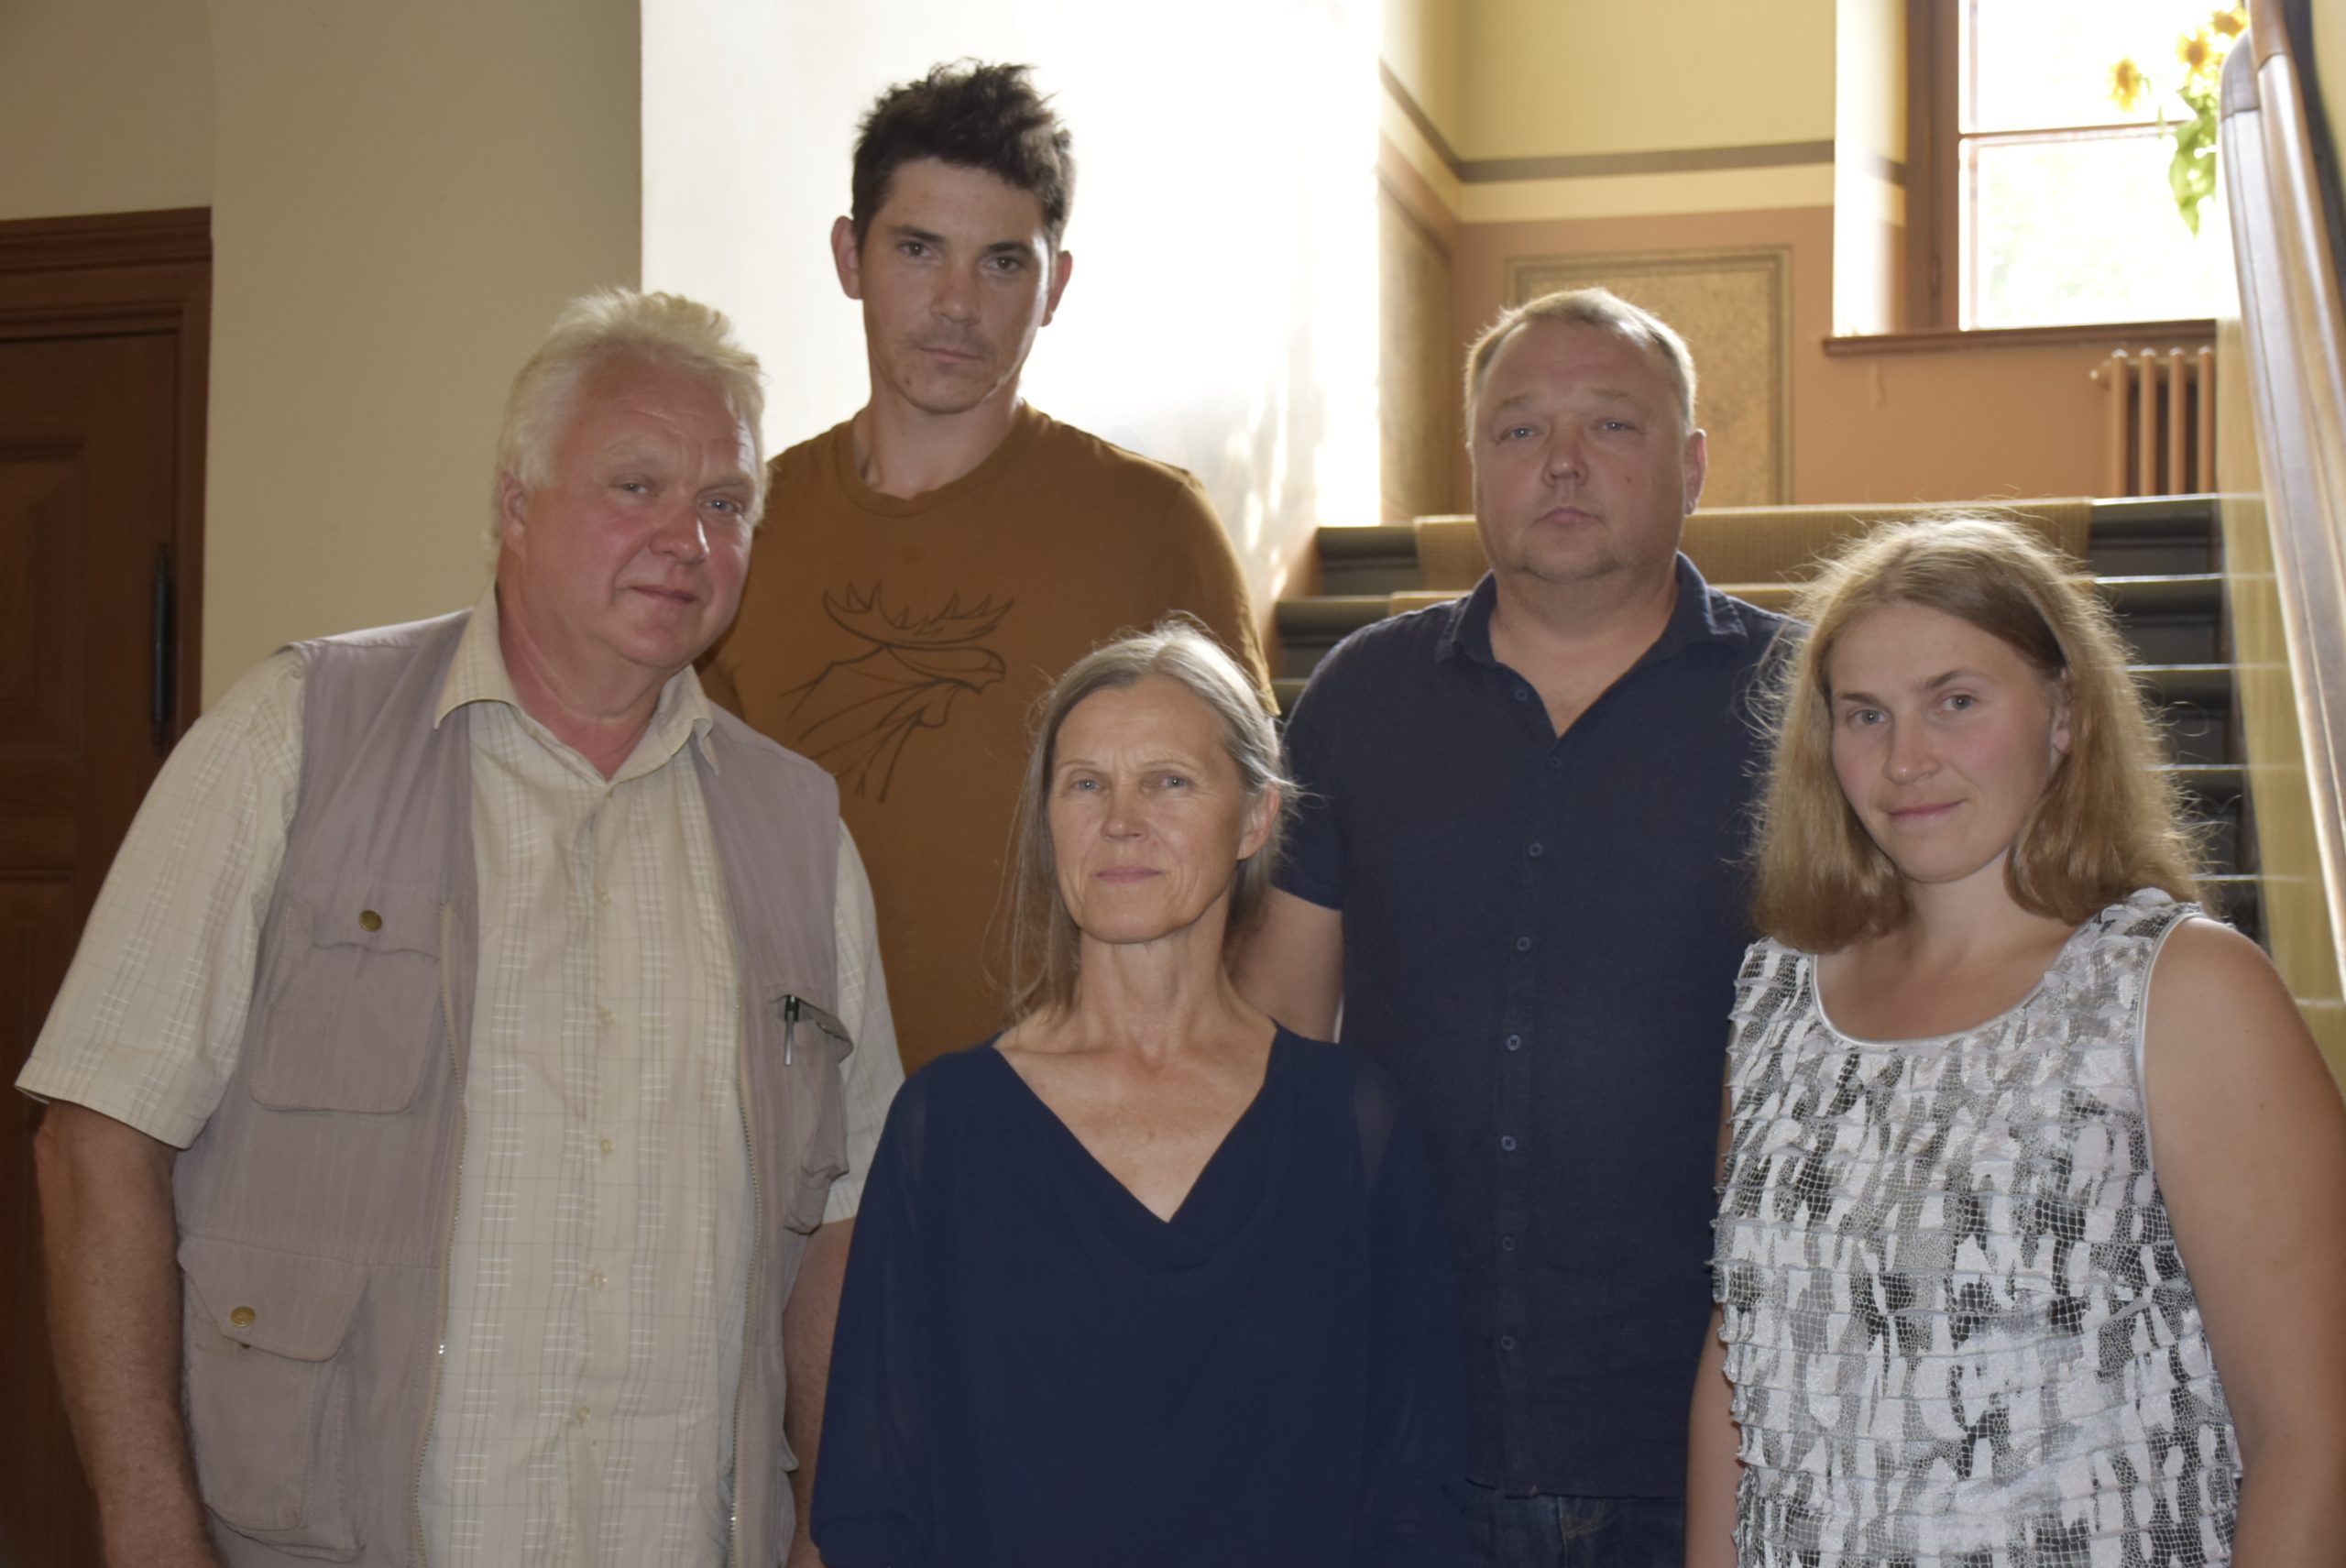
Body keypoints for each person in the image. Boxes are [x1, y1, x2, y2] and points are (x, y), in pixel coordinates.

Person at [20, 290, 903, 1568]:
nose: (687, 539)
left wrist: (831, 1523)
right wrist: (150, 1526)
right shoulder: (290, 738)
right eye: (637, 486)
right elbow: (97, 1138)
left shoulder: (800, 831)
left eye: (726, 502)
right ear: (515, 504)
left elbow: (846, 1227)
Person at [1239, 288, 1789, 1564]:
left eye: (1613, 423)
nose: (1563, 461)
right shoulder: (1361, 697)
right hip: (1410, 1422)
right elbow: (1279, 1042)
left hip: (1719, 1432)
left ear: (1692, 465)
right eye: (1520, 428)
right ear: (1475, 466)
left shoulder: (1807, 706)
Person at [1686, 516, 2346, 1567]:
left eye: (1955, 701)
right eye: (1865, 714)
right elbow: (1741, 1363)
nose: (1905, 760)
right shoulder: (1776, 995)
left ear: (2064, 713)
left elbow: (2310, 1431)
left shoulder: (2178, 990)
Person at [812, 624, 1473, 1565]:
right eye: (1086, 784)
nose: (1121, 820)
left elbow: (1415, 1488)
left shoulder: (1352, 1125)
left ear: (1255, 819)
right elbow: (871, 1500)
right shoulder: (947, 1128)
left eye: (1168, 781)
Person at [702, 60, 1268, 1073]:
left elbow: (1252, 858)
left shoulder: (1153, 527)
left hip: (1082, 1117)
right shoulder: (743, 528)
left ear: (1055, 286)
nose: (957, 303)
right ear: (849, 256)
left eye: (1003, 262)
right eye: (918, 249)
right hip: (793, 1117)